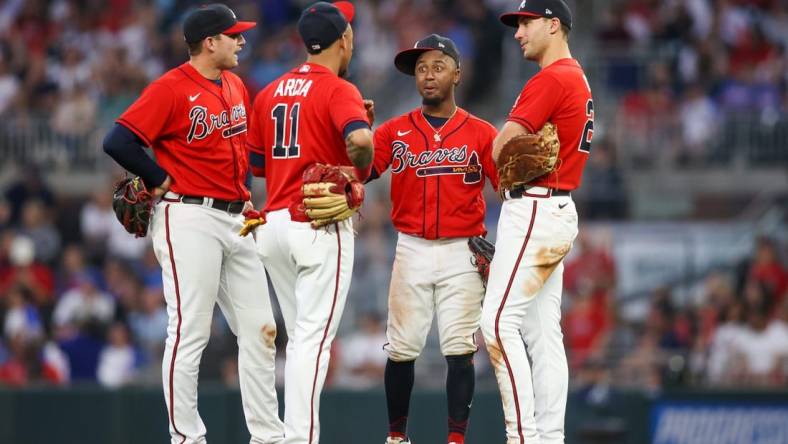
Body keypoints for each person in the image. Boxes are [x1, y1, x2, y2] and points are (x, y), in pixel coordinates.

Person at [102, 4, 283, 443]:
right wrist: (158, 177)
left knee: (262, 330)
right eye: (233, 35)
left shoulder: (236, 84)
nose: (242, 41)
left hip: (235, 219)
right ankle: (186, 437)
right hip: (188, 216)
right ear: (210, 42)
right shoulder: (171, 89)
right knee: (190, 330)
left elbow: (241, 154)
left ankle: (268, 437)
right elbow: (118, 140)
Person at [245, 2, 374, 443]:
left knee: (301, 337)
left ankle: (286, 435)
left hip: (275, 224)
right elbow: (358, 141)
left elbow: (260, 167)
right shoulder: (340, 89)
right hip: (317, 228)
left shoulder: (269, 91)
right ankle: (300, 438)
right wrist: (360, 157)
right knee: (312, 342)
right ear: (345, 40)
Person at [368, 34, 498, 444]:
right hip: (411, 247)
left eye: (438, 66)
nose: (428, 75)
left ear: (457, 74)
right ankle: (396, 437)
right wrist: (355, 135)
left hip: (464, 250)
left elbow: (509, 188)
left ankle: (456, 439)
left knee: (460, 348)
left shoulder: (481, 133)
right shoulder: (394, 131)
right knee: (401, 348)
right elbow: (363, 170)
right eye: (421, 68)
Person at [479, 1, 594, 443]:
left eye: (526, 23)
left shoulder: (552, 78)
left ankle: (523, 436)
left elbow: (501, 146)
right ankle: (548, 437)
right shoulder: (578, 77)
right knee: (543, 334)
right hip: (557, 207)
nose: (518, 33)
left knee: (497, 325)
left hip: (535, 208)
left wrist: (501, 155)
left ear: (553, 24)